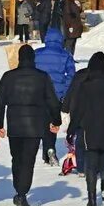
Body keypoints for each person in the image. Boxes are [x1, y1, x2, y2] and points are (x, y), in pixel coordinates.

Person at [0, 43, 60, 206]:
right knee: (28, 161)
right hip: (34, 125)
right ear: (33, 59)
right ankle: (22, 193)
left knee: (16, 159)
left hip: (15, 125)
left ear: (19, 58)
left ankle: (20, 191)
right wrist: (56, 120)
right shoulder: (42, 77)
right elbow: (53, 102)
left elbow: (0, 102)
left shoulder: (8, 77)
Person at [65, 52, 104, 206]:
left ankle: (92, 199)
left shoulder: (86, 86)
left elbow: (78, 110)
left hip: (89, 131)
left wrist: (71, 129)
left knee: (91, 165)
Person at [33, 26, 76, 163]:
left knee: (39, 122)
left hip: (38, 94)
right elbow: (71, 76)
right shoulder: (66, 55)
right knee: (53, 123)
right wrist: (65, 92)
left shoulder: (37, 53)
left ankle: (39, 150)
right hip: (57, 95)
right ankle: (50, 148)